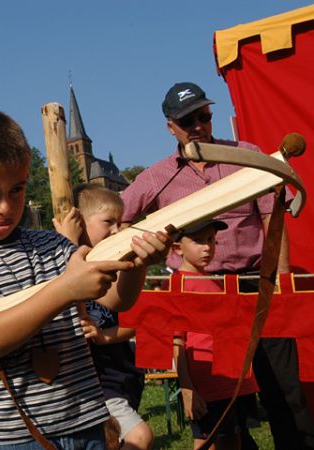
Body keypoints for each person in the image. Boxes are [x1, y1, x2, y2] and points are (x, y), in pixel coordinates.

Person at [0, 107, 170, 448]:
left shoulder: (53, 244)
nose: (6, 207)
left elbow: (116, 300)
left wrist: (138, 261)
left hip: (85, 418)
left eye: (17, 189)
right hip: (8, 436)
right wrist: (66, 288)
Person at [121, 81, 314, 449]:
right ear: (170, 127)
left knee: (284, 390)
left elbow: (275, 219)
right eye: (187, 120)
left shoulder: (248, 156)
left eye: (203, 115)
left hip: (256, 284)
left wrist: (282, 282)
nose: (198, 125)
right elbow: (119, 216)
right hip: (201, 297)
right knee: (221, 402)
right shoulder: (158, 177)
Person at [54, 183, 154, 450]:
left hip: (122, 372)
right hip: (94, 378)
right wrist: (67, 245)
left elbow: (130, 313)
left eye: (120, 222)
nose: (117, 229)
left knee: (113, 441)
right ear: (78, 223)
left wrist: (103, 336)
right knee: (138, 437)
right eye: (109, 221)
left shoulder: (116, 266)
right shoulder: (63, 263)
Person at [171, 219, 260, 450]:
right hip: (209, 387)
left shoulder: (214, 282)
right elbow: (177, 340)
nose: (207, 247)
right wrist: (188, 389)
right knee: (209, 443)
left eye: (210, 239)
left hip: (233, 382)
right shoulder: (179, 283)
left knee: (236, 442)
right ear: (177, 248)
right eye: (198, 241)